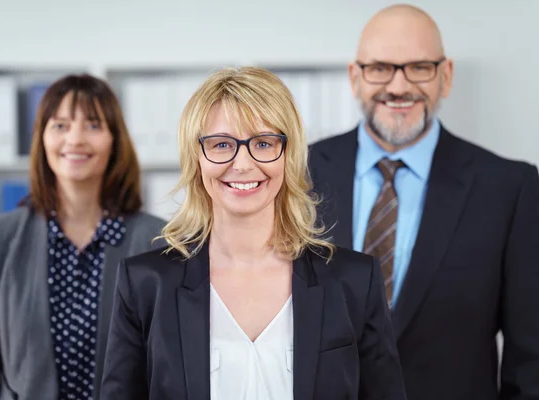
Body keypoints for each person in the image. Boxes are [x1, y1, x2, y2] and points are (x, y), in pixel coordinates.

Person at [99, 66, 407, 399]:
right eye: (220, 145)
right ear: (196, 157)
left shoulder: (355, 281)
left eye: (262, 143)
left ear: (288, 155)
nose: (243, 164)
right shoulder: (145, 283)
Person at [308, 4, 539, 400]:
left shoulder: (509, 187)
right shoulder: (297, 172)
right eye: (380, 67)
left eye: (419, 67)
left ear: (445, 76)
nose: (398, 87)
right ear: (355, 77)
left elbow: (531, 359)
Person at [0, 74, 166, 400]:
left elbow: (170, 370)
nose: (76, 139)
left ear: (115, 141)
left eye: (93, 125)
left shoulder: (157, 242)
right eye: (60, 125)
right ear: (41, 138)